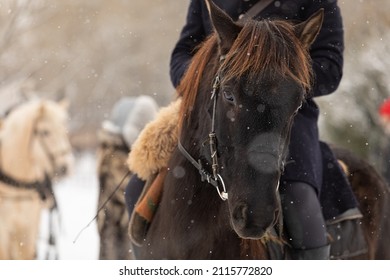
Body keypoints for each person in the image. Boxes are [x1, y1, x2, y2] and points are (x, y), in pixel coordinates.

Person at [126, 0, 345, 260]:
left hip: (285, 116)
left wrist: (275, 77)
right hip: (217, 109)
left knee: (301, 203)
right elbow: (182, 54)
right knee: (135, 189)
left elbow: (330, 64)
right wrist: (211, 78)